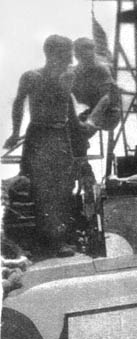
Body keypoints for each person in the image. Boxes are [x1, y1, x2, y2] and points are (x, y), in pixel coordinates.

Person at [3, 35, 87, 257]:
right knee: (39, 189)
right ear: (53, 53)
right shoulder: (32, 77)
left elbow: (68, 106)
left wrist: (80, 129)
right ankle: (46, 242)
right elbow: (19, 102)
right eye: (67, 52)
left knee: (62, 189)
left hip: (61, 136)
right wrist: (14, 133)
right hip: (39, 136)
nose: (71, 57)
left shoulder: (67, 77)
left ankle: (57, 240)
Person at [70, 37, 119, 191]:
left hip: (109, 113)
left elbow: (106, 99)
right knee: (68, 134)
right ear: (77, 54)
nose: (89, 55)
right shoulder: (76, 71)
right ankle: (79, 169)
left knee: (78, 135)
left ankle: (86, 174)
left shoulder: (100, 69)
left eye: (91, 51)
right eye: (84, 52)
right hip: (93, 110)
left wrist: (90, 123)